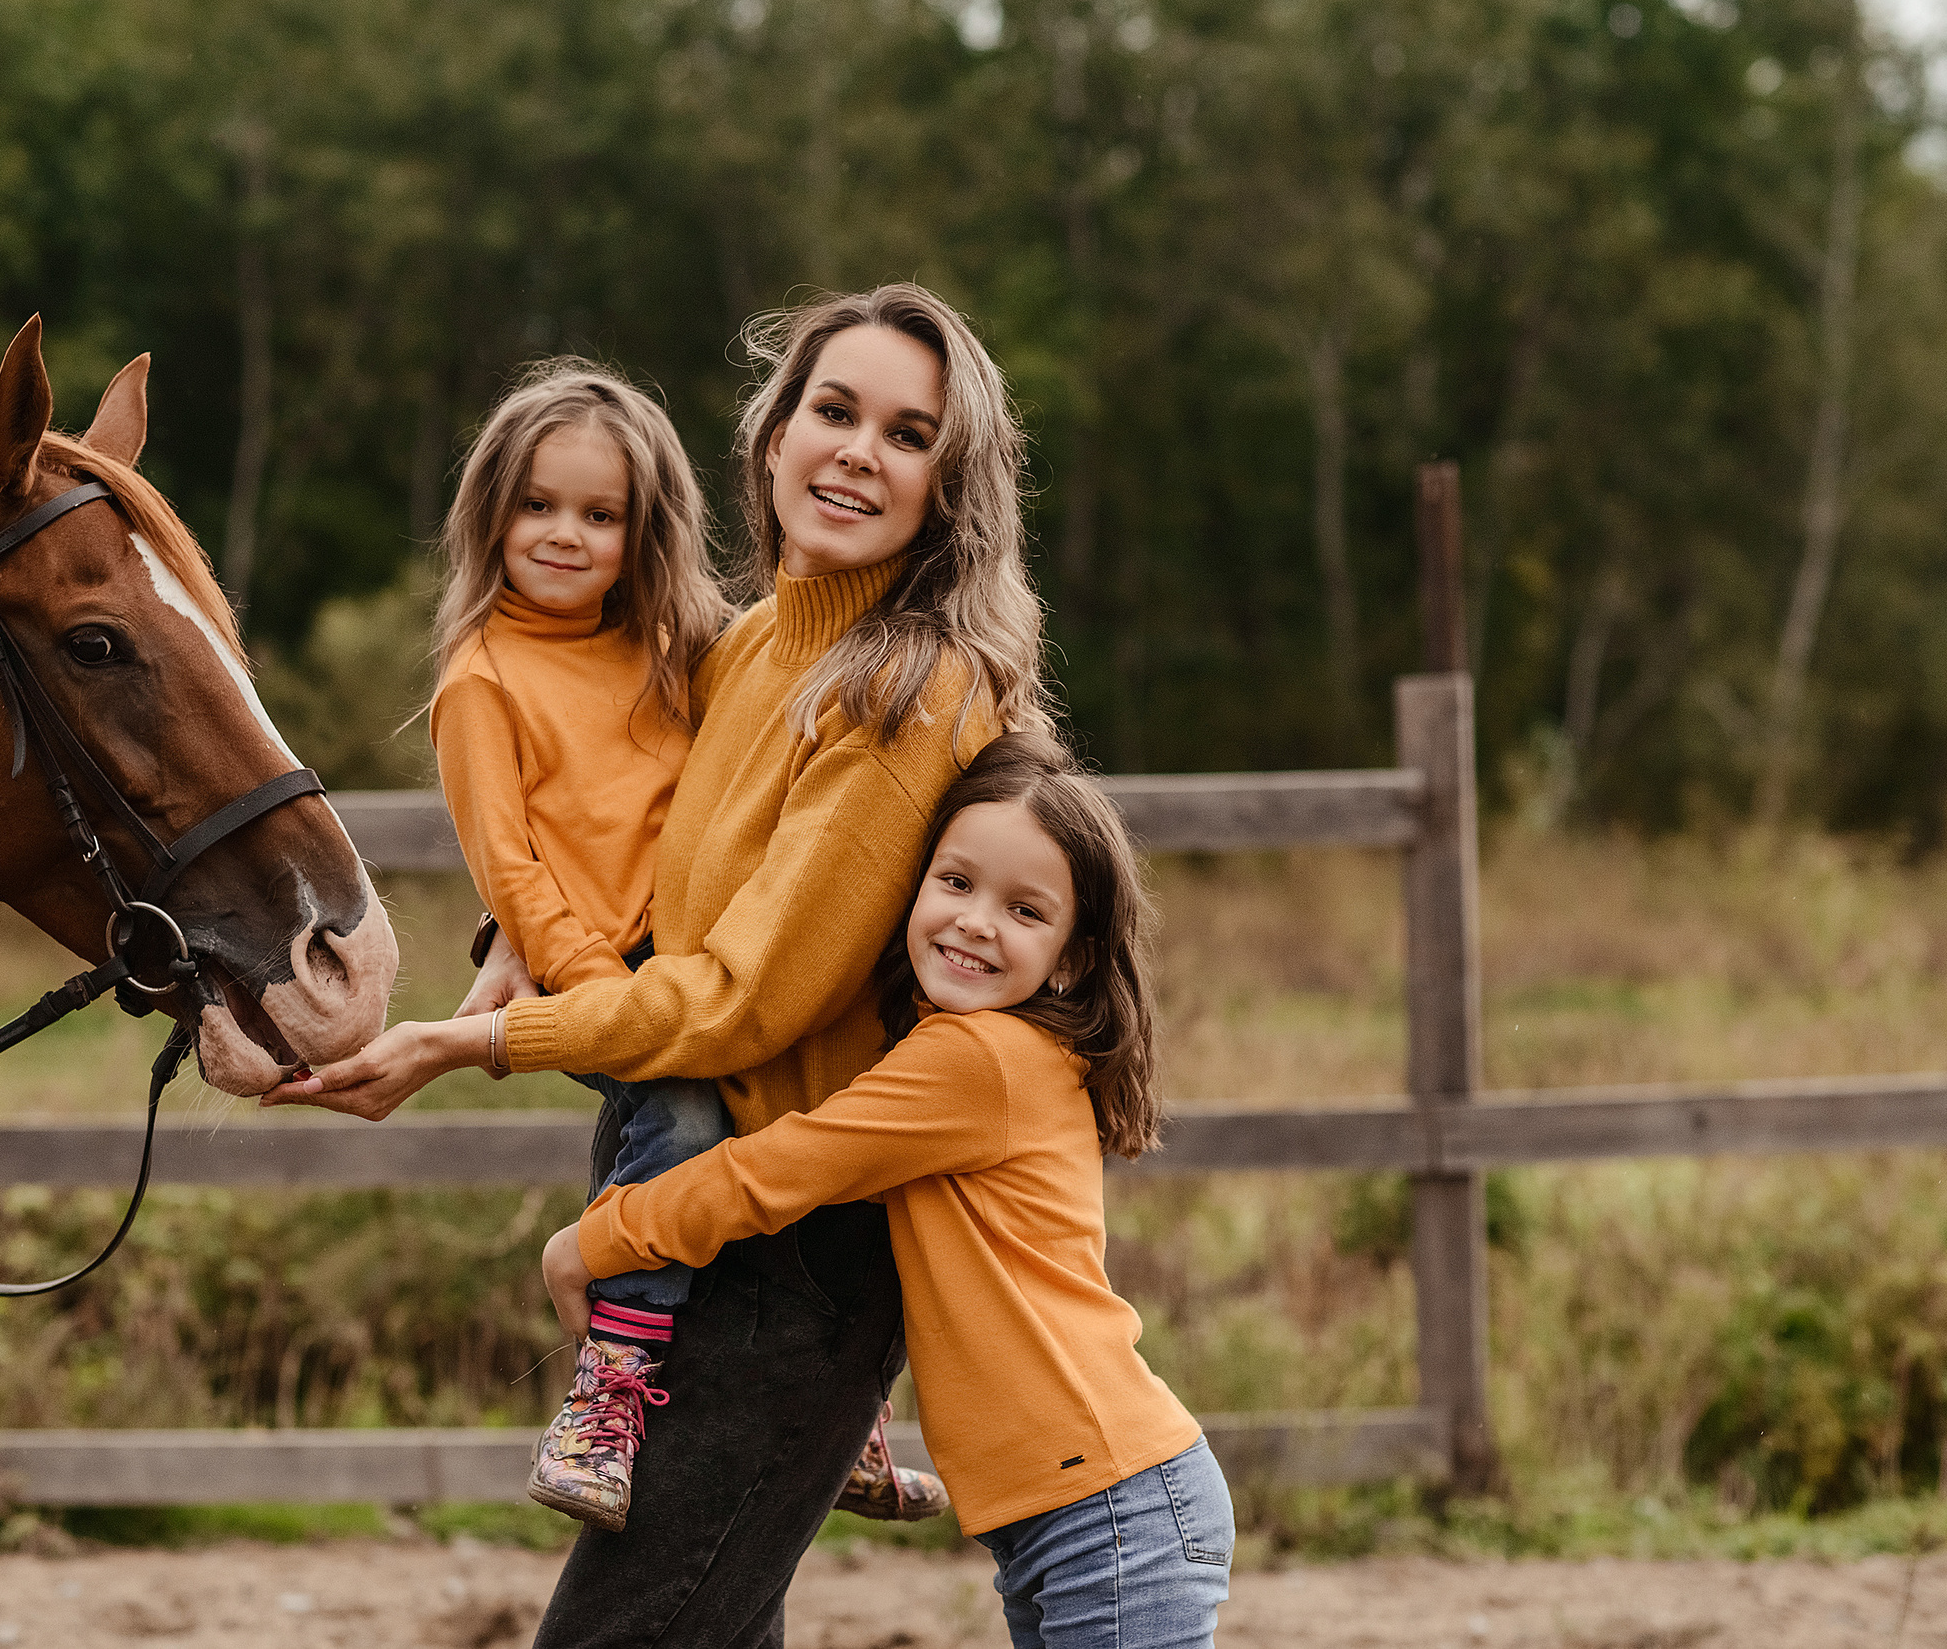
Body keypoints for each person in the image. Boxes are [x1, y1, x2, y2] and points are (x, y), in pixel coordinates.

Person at [265, 283, 1050, 1648]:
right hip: (699, 1183)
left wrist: (466, 1043)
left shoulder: (908, 688)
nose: (860, 448)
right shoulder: (744, 646)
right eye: (835, 407)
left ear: (953, 485)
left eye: (910, 432)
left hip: (801, 1229)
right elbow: (647, 860)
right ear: (773, 434)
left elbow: (746, 995)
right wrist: (520, 932)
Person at [542, 731, 1234, 1649]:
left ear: (1072, 956)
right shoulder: (981, 1051)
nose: (976, 921)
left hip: (1108, 1508)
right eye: (955, 882)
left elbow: (775, 1171)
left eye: (1025, 909)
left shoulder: (978, 1060)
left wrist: (600, 1236)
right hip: (1085, 1508)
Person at [421, 359, 735, 1529]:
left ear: (640, 532)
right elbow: (512, 870)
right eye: (538, 505)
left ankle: (837, 1403)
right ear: (489, 510)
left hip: (707, 961)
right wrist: (610, 994)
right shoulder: (482, 680)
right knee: (690, 1113)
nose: (565, 534)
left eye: (599, 515)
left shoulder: (673, 647)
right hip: (605, 976)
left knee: (804, 1119)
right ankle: (606, 1390)